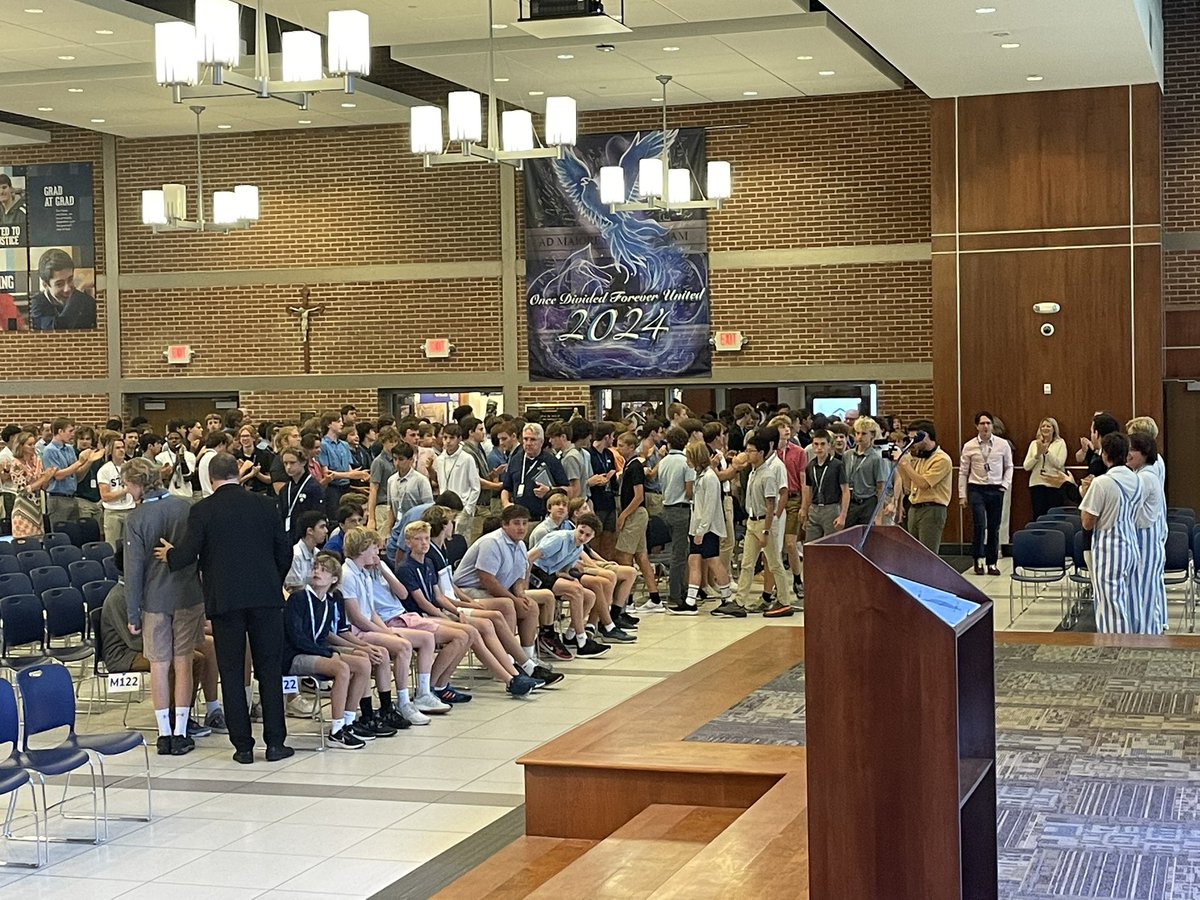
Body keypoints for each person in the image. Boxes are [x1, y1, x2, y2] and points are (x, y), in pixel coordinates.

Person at [156, 452, 294, 765]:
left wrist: (171, 554)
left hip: (225, 601)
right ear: (238, 473)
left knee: (231, 673)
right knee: (269, 670)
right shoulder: (265, 505)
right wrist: (273, 581)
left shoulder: (203, 510)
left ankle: (243, 747)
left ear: (210, 478)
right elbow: (284, 551)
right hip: (266, 599)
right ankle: (275, 743)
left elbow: (188, 555)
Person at [122, 457, 211, 755]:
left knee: (159, 666)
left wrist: (132, 612)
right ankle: (181, 731)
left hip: (154, 600)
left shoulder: (135, 519)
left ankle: (163, 734)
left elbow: (132, 570)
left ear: (137, 484)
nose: (126, 489)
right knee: (183, 662)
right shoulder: (186, 507)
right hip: (187, 595)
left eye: (127, 484)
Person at [398, 521, 540, 697]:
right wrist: (450, 618)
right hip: (421, 616)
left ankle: (513, 674)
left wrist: (459, 610)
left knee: (482, 625)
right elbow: (423, 603)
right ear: (408, 542)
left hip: (437, 612)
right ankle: (509, 677)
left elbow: (439, 597)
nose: (424, 543)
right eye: (418, 539)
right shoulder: (406, 568)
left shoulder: (427, 562)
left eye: (426, 538)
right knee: (470, 631)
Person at [283, 553, 379, 749]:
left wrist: (347, 649)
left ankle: (348, 722)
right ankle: (335, 731)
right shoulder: (298, 598)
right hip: (294, 655)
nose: (317, 571)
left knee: (362, 662)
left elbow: (324, 634)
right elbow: (297, 638)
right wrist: (329, 653)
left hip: (315, 651)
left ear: (334, 579)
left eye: (324, 570)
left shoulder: (329, 601)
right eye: (316, 568)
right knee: (341, 668)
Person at [454, 504, 562, 663]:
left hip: (493, 591)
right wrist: (513, 598)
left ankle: (527, 657)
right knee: (507, 604)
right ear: (505, 524)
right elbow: (487, 579)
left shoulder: (521, 545)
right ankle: (507, 659)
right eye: (516, 523)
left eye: (525, 523)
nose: (522, 528)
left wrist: (519, 594)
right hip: (467, 591)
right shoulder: (492, 542)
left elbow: (519, 577)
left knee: (530, 606)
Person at [1079, 432, 1143, 634]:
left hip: (1109, 549)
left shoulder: (1102, 483)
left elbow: (1087, 523)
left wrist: (1085, 493)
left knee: (1109, 604)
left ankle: (1113, 650)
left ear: (1105, 454)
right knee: (1130, 599)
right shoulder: (1137, 480)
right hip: (1131, 543)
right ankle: (1134, 641)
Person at [732, 434, 794, 617]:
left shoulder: (767, 475)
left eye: (751, 451)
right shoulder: (753, 472)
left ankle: (784, 601)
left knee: (774, 563)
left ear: (760, 453)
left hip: (764, 523)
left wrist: (766, 530)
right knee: (747, 563)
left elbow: (770, 505)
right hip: (752, 521)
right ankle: (740, 601)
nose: (748, 454)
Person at [613, 430, 663, 614]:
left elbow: (638, 495)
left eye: (621, 445)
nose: (618, 448)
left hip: (634, 513)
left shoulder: (635, 467)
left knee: (624, 554)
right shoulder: (628, 465)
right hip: (635, 513)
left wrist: (623, 515)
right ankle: (654, 597)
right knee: (641, 556)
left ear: (632, 447)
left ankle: (628, 599)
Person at [959, 412, 1014, 576]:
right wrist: (962, 494)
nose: (985, 426)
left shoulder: (1002, 444)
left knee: (994, 527)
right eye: (982, 423)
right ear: (977, 426)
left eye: (988, 423)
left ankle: (992, 562)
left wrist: (1005, 484)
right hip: (977, 488)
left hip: (996, 488)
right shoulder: (969, 446)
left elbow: (1009, 466)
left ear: (992, 425)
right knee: (979, 524)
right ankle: (978, 559)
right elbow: (963, 472)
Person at [682, 442, 734, 617]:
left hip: (708, 528)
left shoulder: (710, 478)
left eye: (689, 457)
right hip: (698, 527)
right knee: (693, 560)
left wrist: (701, 531)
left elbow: (710, 507)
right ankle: (690, 600)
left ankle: (727, 598)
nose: (687, 461)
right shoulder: (701, 475)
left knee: (713, 561)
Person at [893, 420, 953, 555]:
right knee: (913, 553)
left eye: (914, 439)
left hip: (932, 509)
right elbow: (909, 486)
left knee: (928, 554)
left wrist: (904, 463)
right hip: (914, 507)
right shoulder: (920, 458)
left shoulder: (942, 459)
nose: (912, 443)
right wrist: (899, 465)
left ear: (924, 435)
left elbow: (923, 484)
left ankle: (930, 576)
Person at [1127, 431, 1166, 635]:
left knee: (1144, 594)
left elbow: (1133, 514)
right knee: (1144, 592)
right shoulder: (1141, 474)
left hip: (1145, 542)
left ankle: (1146, 637)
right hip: (1145, 541)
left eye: (1132, 449)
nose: (1128, 454)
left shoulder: (1145, 478)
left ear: (1144, 453)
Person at [657, 426, 696, 611]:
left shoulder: (663, 462)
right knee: (679, 555)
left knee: (679, 551)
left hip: (666, 508)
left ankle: (681, 588)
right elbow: (689, 491)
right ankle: (676, 594)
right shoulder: (686, 463)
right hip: (681, 509)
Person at [500, 423, 568, 523]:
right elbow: (506, 488)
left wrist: (550, 490)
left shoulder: (551, 461)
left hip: (541, 519)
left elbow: (568, 490)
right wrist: (506, 503)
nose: (528, 443)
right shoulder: (515, 460)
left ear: (541, 441)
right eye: (525, 439)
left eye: (533, 439)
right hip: (518, 519)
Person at [41, 418, 99, 526]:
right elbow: (58, 475)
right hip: (58, 498)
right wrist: (80, 462)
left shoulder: (69, 449)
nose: (72, 435)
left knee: (74, 533)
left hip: (72, 497)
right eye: (70, 431)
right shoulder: (50, 450)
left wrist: (89, 461)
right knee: (60, 531)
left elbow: (77, 474)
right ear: (60, 431)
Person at [28, 249, 96, 331]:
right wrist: (77, 297)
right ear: (45, 285)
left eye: (70, 280)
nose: (67, 289)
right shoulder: (36, 305)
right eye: (59, 284)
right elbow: (58, 330)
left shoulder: (87, 302)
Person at [801, 428, 849, 542]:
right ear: (812, 446)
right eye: (816, 444)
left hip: (831, 508)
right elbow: (808, 489)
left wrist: (843, 515)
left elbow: (845, 491)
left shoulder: (837, 465)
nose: (819, 448)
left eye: (823, 444)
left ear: (829, 446)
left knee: (831, 545)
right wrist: (804, 509)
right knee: (810, 545)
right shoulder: (810, 466)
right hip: (814, 508)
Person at [434, 424, 480, 538]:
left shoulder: (467, 458)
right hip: (444, 508)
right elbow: (441, 484)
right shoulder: (439, 459)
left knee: (461, 539)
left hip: (461, 508)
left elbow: (476, 487)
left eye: (452, 438)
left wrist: (468, 510)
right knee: (444, 538)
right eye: (445, 438)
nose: (448, 441)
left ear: (459, 439)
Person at [6, 431, 53, 537]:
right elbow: (22, 490)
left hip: (37, 508)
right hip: (23, 508)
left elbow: (43, 486)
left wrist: (48, 477)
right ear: (21, 446)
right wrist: (43, 478)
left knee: (39, 542)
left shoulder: (37, 461)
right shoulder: (16, 464)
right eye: (29, 444)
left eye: (34, 444)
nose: (33, 447)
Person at [843, 416, 886, 528]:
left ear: (872, 435)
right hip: (850, 502)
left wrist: (879, 515)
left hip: (867, 502)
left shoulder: (876, 458)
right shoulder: (847, 455)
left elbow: (880, 487)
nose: (859, 437)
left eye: (864, 434)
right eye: (857, 433)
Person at [1023, 417, 1068, 520]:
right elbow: (1026, 466)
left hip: (1054, 485)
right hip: (1037, 485)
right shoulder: (1034, 444)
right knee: (1038, 516)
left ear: (1054, 429)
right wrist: (1037, 455)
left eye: (1048, 426)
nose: (1045, 428)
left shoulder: (1060, 443)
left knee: (1054, 516)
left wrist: (1047, 452)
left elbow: (1059, 464)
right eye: (1043, 426)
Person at [278, 447, 326, 543]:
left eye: (292, 463)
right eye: (285, 463)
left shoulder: (314, 487)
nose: (288, 467)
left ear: (303, 463)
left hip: (306, 537)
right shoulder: (285, 489)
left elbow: (316, 515)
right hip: (287, 535)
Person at [97, 435, 135, 546]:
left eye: (123, 447)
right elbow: (105, 496)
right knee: (112, 546)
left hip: (130, 510)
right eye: (117, 448)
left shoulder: (131, 466)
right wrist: (125, 490)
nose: (121, 450)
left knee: (130, 545)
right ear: (111, 451)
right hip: (113, 512)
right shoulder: (105, 470)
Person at [284, 510, 328, 592]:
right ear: (310, 531)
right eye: (322, 527)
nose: (326, 531)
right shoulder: (295, 555)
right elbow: (293, 588)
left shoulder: (318, 553)